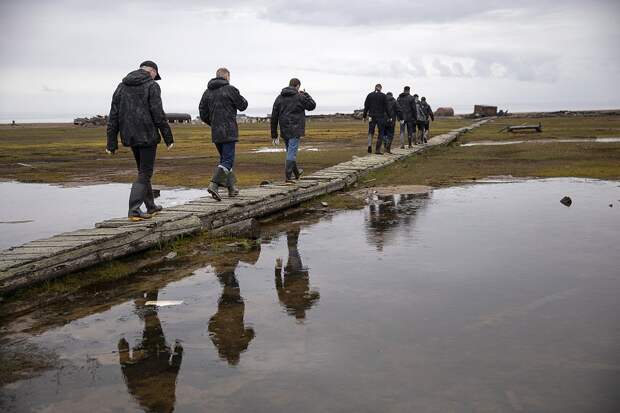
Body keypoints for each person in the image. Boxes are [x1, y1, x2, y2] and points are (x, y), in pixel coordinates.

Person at [107, 60, 174, 221]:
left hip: (129, 135)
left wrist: (111, 142)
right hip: (147, 135)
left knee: (143, 171)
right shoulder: (152, 86)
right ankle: (134, 209)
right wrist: (168, 137)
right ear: (152, 71)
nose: (155, 77)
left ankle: (150, 207)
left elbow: (113, 115)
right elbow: (158, 113)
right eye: (155, 74)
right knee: (145, 172)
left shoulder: (121, 86)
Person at [199, 67, 248, 201]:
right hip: (229, 130)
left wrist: (214, 123)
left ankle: (232, 188)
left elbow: (202, 113)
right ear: (227, 77)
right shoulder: (230, 89)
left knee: (224, 160)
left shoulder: (207, 92)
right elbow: (243, 105)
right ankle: (214, 184)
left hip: (216, 131)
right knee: (227, 160)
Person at [270, 78, 316, 182]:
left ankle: (296, 173)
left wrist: (274, 134)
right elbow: (312, 106)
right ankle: (288, 176)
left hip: (284, 129)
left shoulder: (279, 98)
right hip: (296, 129)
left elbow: (274, 117)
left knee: (290, 151)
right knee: (292, 152)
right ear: (298, 86)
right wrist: (306, 94)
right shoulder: (300, 96)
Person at [363, 84, 388, 154]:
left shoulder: (369, 95)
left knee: (371, 132)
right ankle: (377, 149)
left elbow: (366, 106)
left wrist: (364, 116)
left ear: (375, 88)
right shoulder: (383, 96)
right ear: (380, 88)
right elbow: (386, 107)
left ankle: (369, 145)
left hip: (371, 116)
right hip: (381, 117)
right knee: (381, 133)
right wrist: (389, 116)